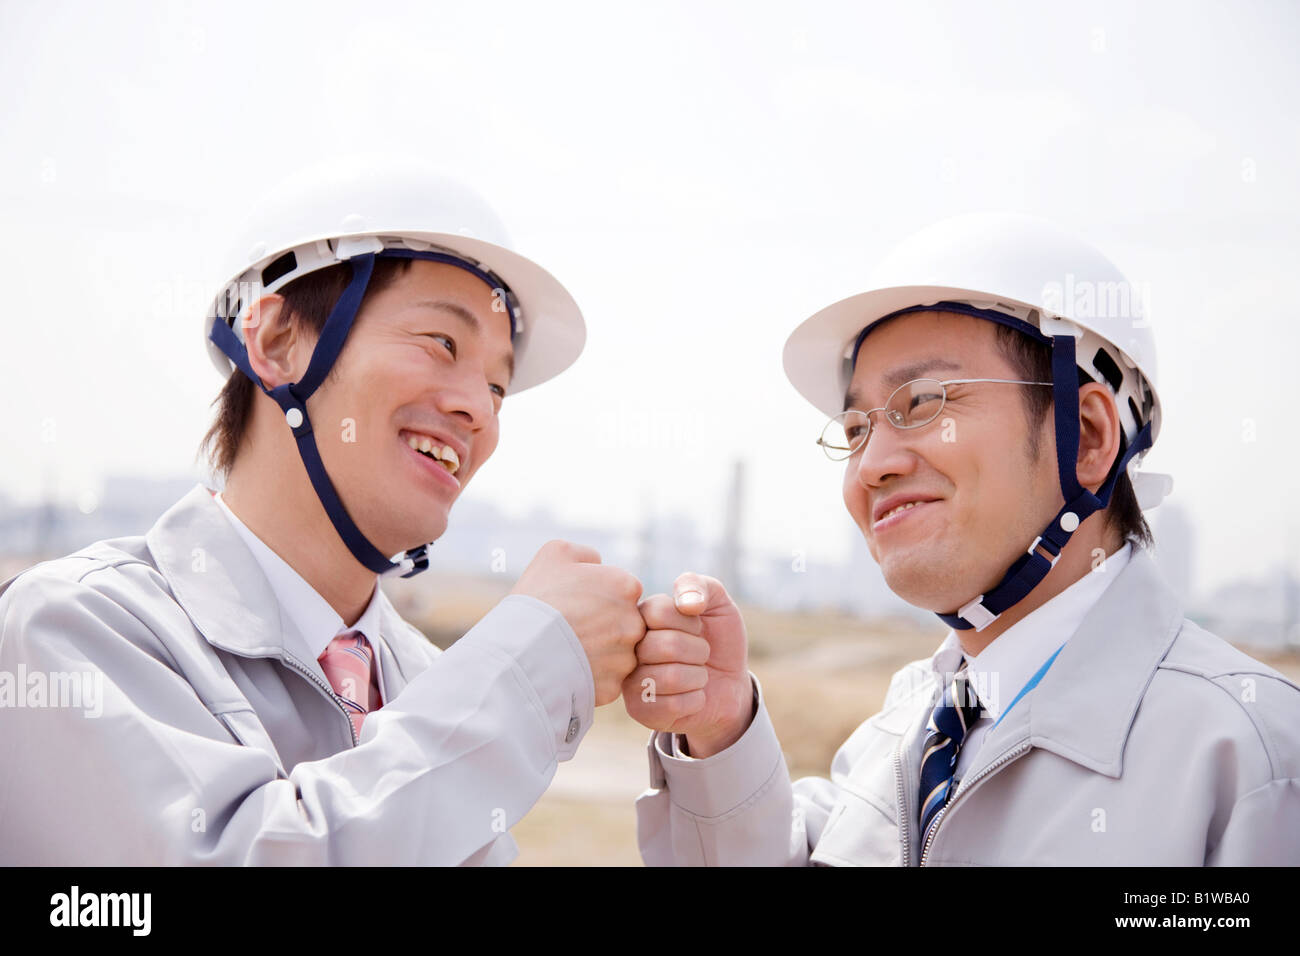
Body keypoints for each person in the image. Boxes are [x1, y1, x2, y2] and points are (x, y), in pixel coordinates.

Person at [0, 156, 646, 865]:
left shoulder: (432, 683)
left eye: (498, 385)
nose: (477, 410)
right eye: (442, 343)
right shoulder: (76, 628)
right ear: (276, 342)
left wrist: (718, 750)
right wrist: (525, 669)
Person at [626, 213, 1300, 865]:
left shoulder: (1252, 758)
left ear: (1089, 437)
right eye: (856, 428)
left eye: (923, 403)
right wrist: (721, 736)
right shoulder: (895, 744)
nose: (871, 465)